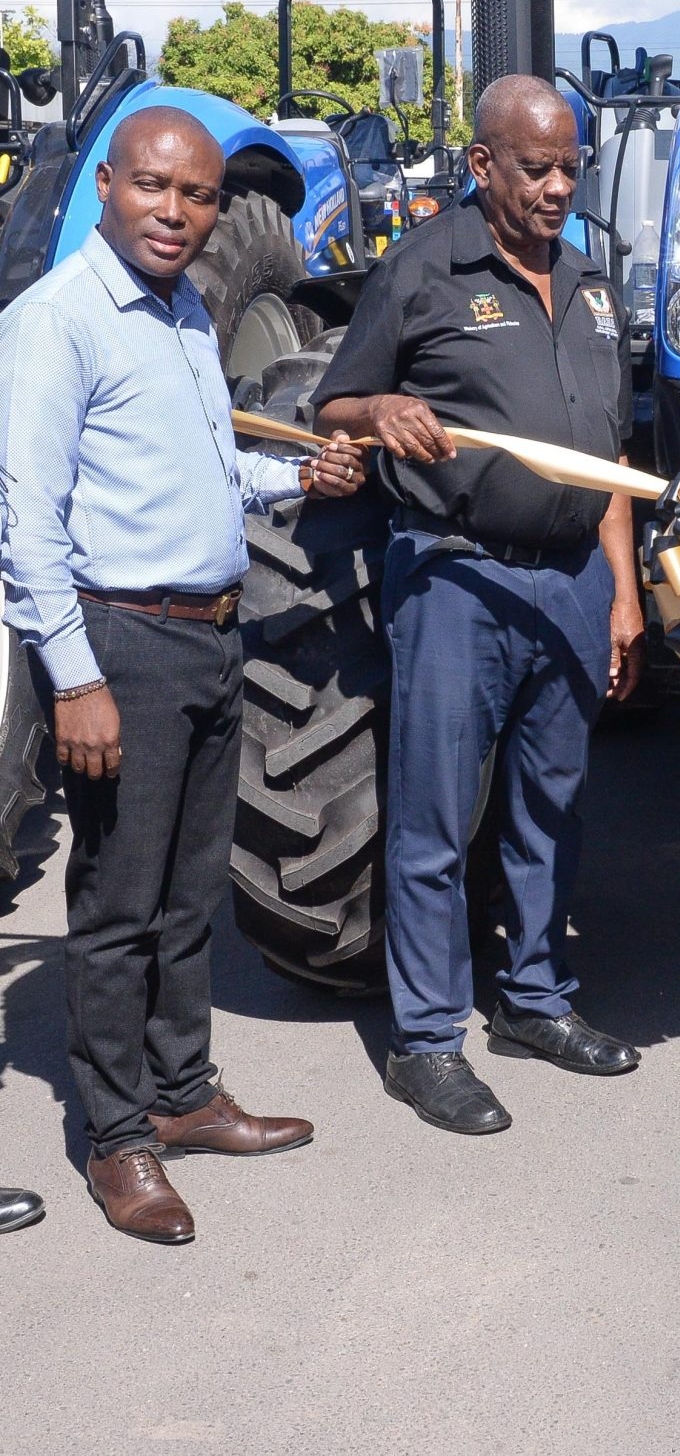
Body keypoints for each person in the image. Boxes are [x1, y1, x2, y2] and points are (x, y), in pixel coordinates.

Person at [0, 107, 362, 1243]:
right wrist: (72, 679)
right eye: (155, 188)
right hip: (124, 646)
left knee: (188, 892)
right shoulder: (57, 322)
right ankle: (118, 1140)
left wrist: (296, 477)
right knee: (116, 906)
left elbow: (200, 469)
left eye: (196, 196)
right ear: (108, 184)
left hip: (211, 634)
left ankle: (185, 1092)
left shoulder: (183, 315)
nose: (175, 212)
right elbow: (25, 517)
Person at [315, 75, 645, 1137]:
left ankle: (536, 1002)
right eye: (535, 168)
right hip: (458, 576)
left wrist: (623, 597)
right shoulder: (420, 269)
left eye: (569, 167)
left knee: (549, 806)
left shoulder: (593, 284)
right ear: (481, 165)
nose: (556, 188)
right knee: (434, 820)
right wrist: (385, 406)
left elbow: (610, 458)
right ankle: (425, 1043)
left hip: (574, 579)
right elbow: (336, 406)